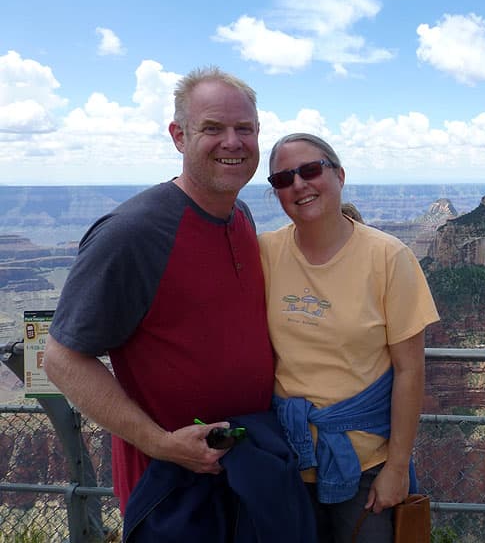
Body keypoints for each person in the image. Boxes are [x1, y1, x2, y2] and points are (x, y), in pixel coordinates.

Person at [42, 67, 275, 515]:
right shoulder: (132, 234)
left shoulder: (240, 215)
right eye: (212, 128)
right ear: (179, 136)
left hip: (248, 472)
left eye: (244, 129)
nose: (232, 142)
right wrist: (162, 444)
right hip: (171, 487)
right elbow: (62, 358)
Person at [259, 133, 440, 542]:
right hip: (286, 458)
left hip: (366, 465)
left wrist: (397, 468)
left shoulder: (388, 257)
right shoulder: (265, 252)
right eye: (283, 179)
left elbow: (410, 370)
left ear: (339, 174)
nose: (299, 185)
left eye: (310, 170)